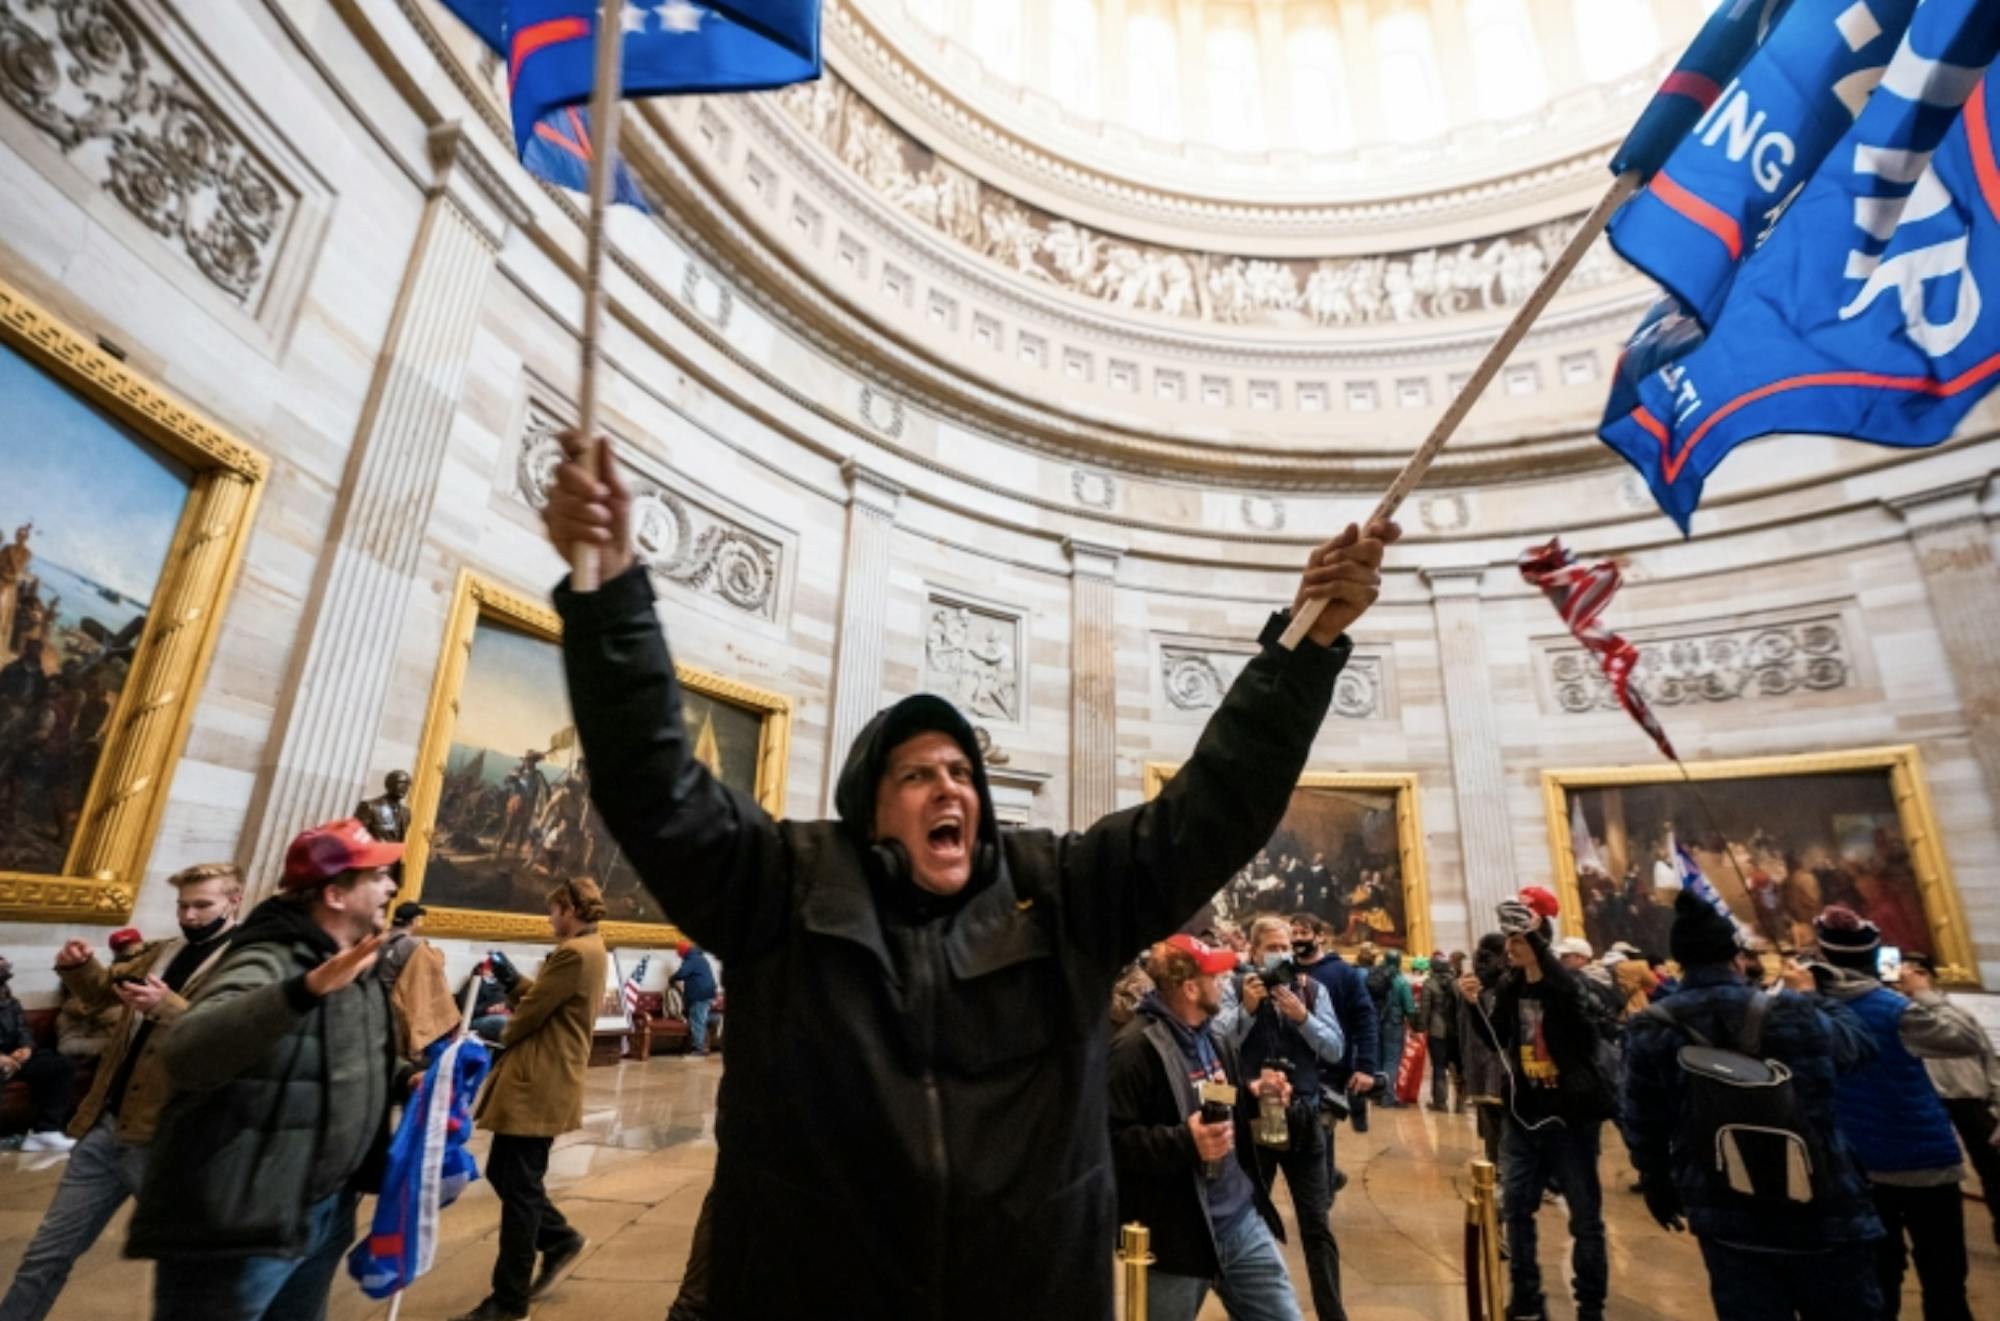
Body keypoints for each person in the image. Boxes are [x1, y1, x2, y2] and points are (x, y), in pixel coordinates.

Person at [540, 431, 1397, 1319]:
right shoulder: (787, 884)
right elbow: (657, 787)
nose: (948, 784)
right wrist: (608, 599)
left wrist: (1305, 645)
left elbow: (1210, 809)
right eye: (916, 773)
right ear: (869, 808)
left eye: (961, 772)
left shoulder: (1059, 891)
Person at [126, 819, 407, 1321]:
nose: (390, 887)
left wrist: (411, 1075)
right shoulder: (269, 958)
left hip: (318, 1206)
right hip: (243, 1217)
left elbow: (344, 1047)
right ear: (336, 894)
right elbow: (188, 1050)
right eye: (378, 876)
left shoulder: (348, 959)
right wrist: (303, 990)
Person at [1622, 888, 1885, 1321]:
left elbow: (1643, 1119)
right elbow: (1859, 1049)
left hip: (1723, 1203)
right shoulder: (1790, 1012)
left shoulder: (1653, 1027)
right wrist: (1810, 995)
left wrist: (1655, 1179)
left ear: (1679, 963)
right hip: (1822, 1203)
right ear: (1736, 957)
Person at [0, 863, 244, 1321]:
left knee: (189, 1276)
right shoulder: (163, 952)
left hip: (172, 1141)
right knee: (45, 1255)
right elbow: (100, 994)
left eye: (202, 905)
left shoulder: (247, 961)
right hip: (107, 1128)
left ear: (235, 901)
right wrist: (79, 966)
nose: (189, 916)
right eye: (183, 905)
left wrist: (168, 1008)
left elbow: (232, 1035)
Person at [1109, 935, 1302, 1321]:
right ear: (1190, 987)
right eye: (1215, 975)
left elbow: (1218, 1099)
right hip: (1177, 1235)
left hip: (1240, 1220)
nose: (1226, 982)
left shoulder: (1214, 1037)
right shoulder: (1133, 1050)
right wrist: (1185, 1141)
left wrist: (1253, 1094)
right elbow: (1110, 1142)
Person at [1813, 906, 1987, 1321]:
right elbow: (1966, 1038)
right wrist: (1923, 991)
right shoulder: (1895, 1009)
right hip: (1924, 1157)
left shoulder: (1811, 1013)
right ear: (1874, 957)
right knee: (1944, 1278)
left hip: (1858, 1163)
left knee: (1877, 1280)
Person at [452, 878, 608, 1321]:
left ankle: (509, 1299)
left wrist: (486, 1030)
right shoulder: (592, 949)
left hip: (539, 1081)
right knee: (505, 1173)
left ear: (570, 910)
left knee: (519, 1191)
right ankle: (558, 1237)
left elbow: (530, 1017)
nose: (549, 918)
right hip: (548, 1077)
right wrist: (509, 977)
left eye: (554, 910)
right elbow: (544, 1000)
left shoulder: (574, 954)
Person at [1459, 896, 1614, 1321]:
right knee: (1516, 1210)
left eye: (1519, 938)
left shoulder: (1568, 986)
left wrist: (1536, 938)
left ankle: (1591, 1307)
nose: (1511, 945)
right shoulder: (1511, 987)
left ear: (1539, 941)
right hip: (1525, 1114)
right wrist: (1474, 1007)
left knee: (1585, 1217)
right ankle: (1527, 1297)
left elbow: (1569, 999)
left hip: (1571, 1117)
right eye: (1509, 937)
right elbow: (1495, 1039)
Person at [1215, 915, 1348, 1321]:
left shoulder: (1311, 991)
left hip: (1304, 1116)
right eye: (1271, 948)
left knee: (1316, 1223)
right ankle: (1259, 1305)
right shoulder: (1234, 990)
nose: (1280, 955)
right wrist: (1248, 1010)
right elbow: (1217, 1043)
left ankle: (1332, 1313)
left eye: (1285, 946)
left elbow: (1335, 1049)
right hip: (1256, 1120)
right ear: (1253, 952)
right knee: (1250, 1217)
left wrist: (1302, 1018)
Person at [1900, 953, 2000, 1248]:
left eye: (1912, 971)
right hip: (1930, 1101)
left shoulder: (1955, 1013)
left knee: (1993, 1169)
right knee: (1937, 1173)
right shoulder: (1902, 1016)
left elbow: (1988, 1059)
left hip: (1971, 1099)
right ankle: (1942, 1238)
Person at [1295, 914, 1381, 1171]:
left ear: (1320, 936)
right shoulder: (1286, 971)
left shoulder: (1344, 973)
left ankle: (1325, 1192)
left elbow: (1365, 1020)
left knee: (1320, 1142)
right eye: (1294, 933)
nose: (1297, 939)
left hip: (1329, 1071)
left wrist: (1366, 1067)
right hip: (1293, 1072)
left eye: (1304, 932)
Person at [0, 954, 75, 1152]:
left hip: (14, 1057)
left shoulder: (9, 1000)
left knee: (60, 1066)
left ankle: (46, 1131)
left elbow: (23, 1029)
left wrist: (26, 1048)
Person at [1457, 933, 1509, 1165]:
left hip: (1475, 1061)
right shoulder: (1504, 986)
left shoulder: (1468, 985)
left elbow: (1459, 1027)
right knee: (1508, 1120)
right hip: (1501, 1063)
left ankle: (1494, 1164)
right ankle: (1505, 1167)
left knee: (1489, 1120)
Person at [1367, 948, 1416, 1106]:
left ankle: (1376, 1095)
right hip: (1394, 1024)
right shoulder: (1401, 982)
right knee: (1392, 1061)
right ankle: (1388, 1097)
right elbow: (1409, 1008)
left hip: (1376, 1022)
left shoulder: (1375, 977)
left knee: (1379, 1058)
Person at [1419, 949, 1460, 1112]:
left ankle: (1440, 1102)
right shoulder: (1456, 983)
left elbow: (1425, 1010)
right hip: (1455, 1031)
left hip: (1437, 1031)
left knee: (1439, 1066)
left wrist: (1421, 1027)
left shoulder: (1429, 984)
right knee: (1457, 1067)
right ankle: (1460, 1104)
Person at [669, 939, 718, 1057]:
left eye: (679, 952)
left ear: (683, 951)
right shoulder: (700, 958)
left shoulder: (692, 959)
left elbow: (682, 973)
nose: (678, 955)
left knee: (697, 1020)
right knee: (700, 1017)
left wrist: (672, 978)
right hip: (707, 992)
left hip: (699, 993)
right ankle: (716, 1019)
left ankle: (699, 1049)